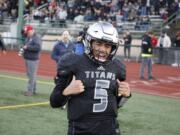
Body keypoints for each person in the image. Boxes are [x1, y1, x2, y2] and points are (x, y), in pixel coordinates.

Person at [50, 21, 131, 135]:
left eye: (107, 45)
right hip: (81, 128)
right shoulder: (73, 62)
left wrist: (125, 95)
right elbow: (54, 102)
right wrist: (67, 92)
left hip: (110, 127)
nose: (103, 49)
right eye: (98, 43)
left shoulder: (117, 66)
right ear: (89, 42)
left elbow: (116, 104)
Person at [21, 25, 42, 96]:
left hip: (33, 59)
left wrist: (27, 47)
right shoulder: (28, 37)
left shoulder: (36, 37)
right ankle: (33, 90)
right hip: (28, 58)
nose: (27, 33)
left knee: (31, 76)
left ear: (32, 30)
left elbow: (38, 48)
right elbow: (26, 44)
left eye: (28, 32)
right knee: (31, 75)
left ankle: (30, 91)